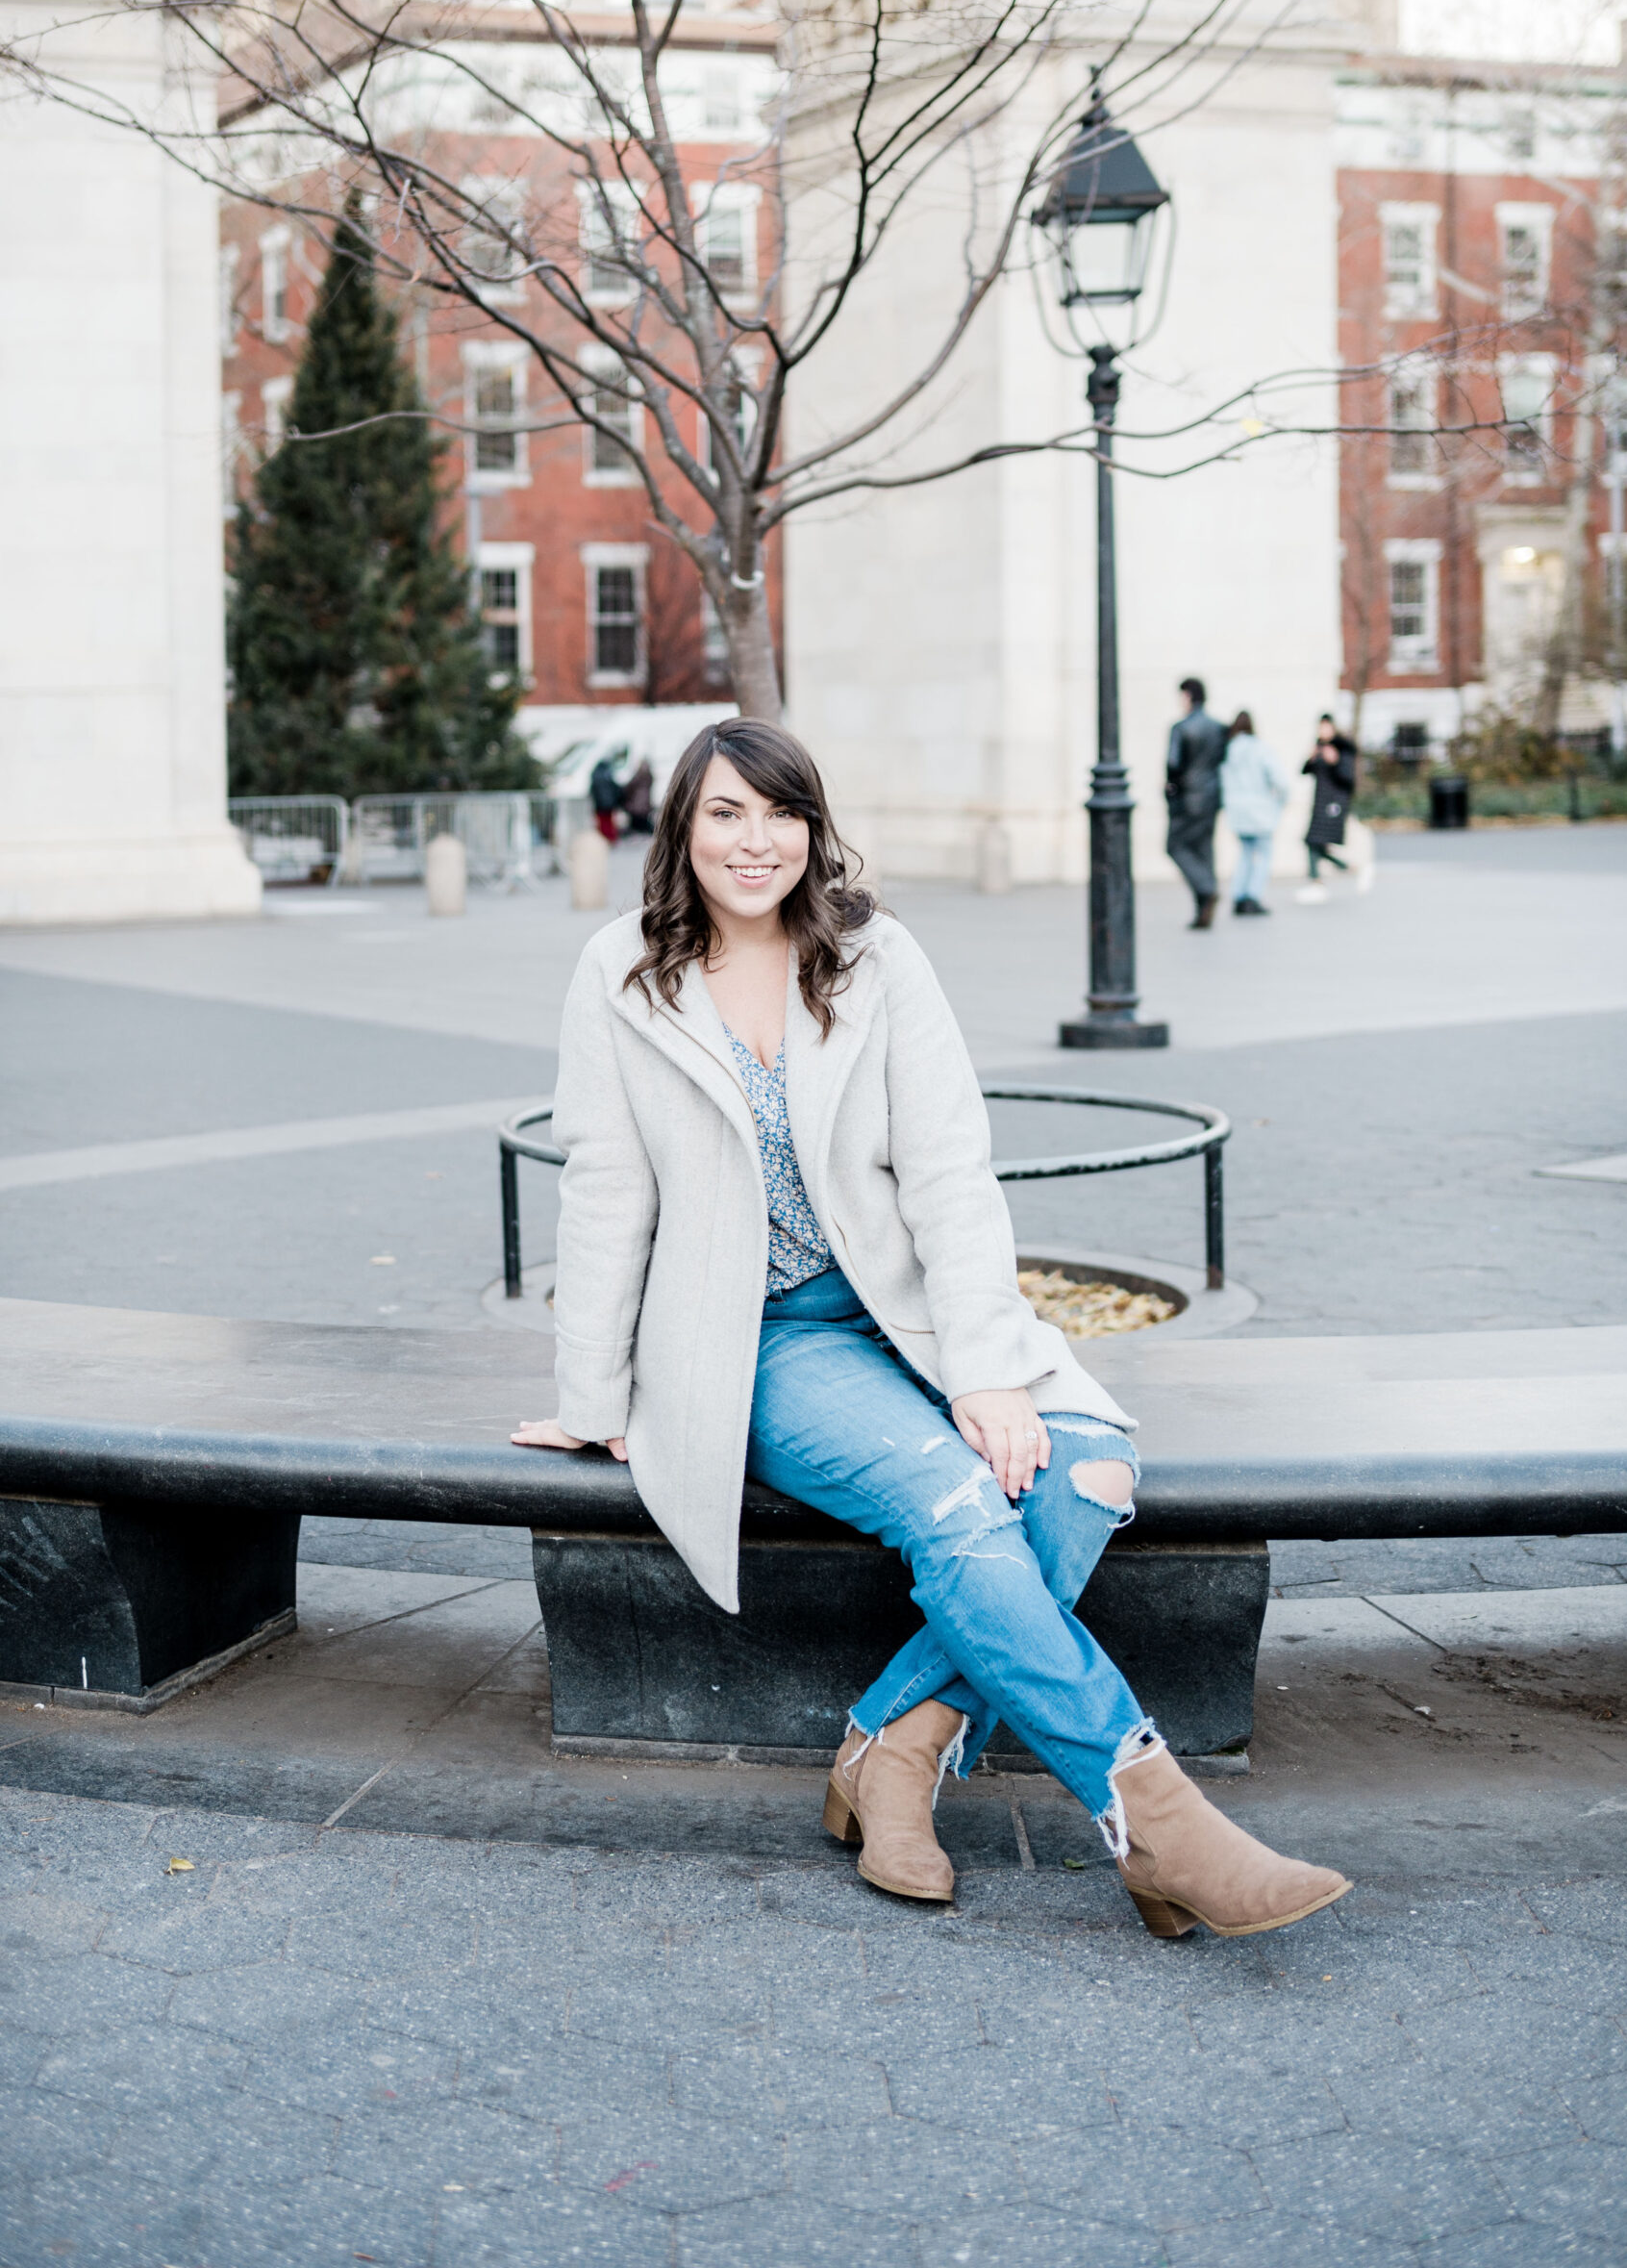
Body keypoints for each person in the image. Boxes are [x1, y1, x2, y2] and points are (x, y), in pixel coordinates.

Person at [512, 718, 1350, 1940]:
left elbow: (949, 1173)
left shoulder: (874, 957)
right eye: (725, 815)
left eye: (780, 814)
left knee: (1083, 1468)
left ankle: (889, 1752)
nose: (756, 843)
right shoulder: (623, 969)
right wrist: (592, 1399)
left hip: (910, 1310)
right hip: (760, 1342)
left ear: (813, 826)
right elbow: (603, 1188)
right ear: (681, 829)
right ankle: (1152, 1824)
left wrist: (987, 1372)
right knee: (958, 1499)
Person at [1165, 679, 1229, 929]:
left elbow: (1173, 764)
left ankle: (1206, 889)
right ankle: (1203, 910)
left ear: (1188, 696)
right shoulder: (1217, 728)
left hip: (1189, 797)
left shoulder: (1181, 728)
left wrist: (1172, 789)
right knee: (1203, 850)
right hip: (1211, 796)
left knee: (1175, 845)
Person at [1220, 711, 1290, 917]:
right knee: (1263, 855)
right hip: (1260, 811)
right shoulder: (1261, 749)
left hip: (1238, 812)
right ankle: (1253, 896)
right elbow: (1281, 781)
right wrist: (1280, 802)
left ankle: (1238, 895)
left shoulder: (1227, 752)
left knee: (1245, 854)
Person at [1299, 714, 1357, 900]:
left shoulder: (1342, 749)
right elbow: (1304, 771)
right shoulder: (1318, 748)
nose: (1323, 731)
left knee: (1313, 840)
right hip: (1319, 802)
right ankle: (1342, 867)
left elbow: (1347, 780)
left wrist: (1335, 763)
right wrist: (1310, 758)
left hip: (1334, 803)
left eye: (1326, 727)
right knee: (1314, 841)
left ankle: (1317, 880)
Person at [589, 750, 625, 845]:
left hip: (600, 804)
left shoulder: (595, 775)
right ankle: (611, 838)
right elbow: (615, 788)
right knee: (609, 821)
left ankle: (604, 839)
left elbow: (592, 790)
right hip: (609, 803)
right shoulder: (608, 774)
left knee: (602, 822)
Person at [621, 757, 655, 838]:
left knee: (636, 818)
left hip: (636, 802)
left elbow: (629, 786)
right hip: (646, 802)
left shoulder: (638, 775)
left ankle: (635, 830)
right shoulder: (650, 775)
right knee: (643, 819)